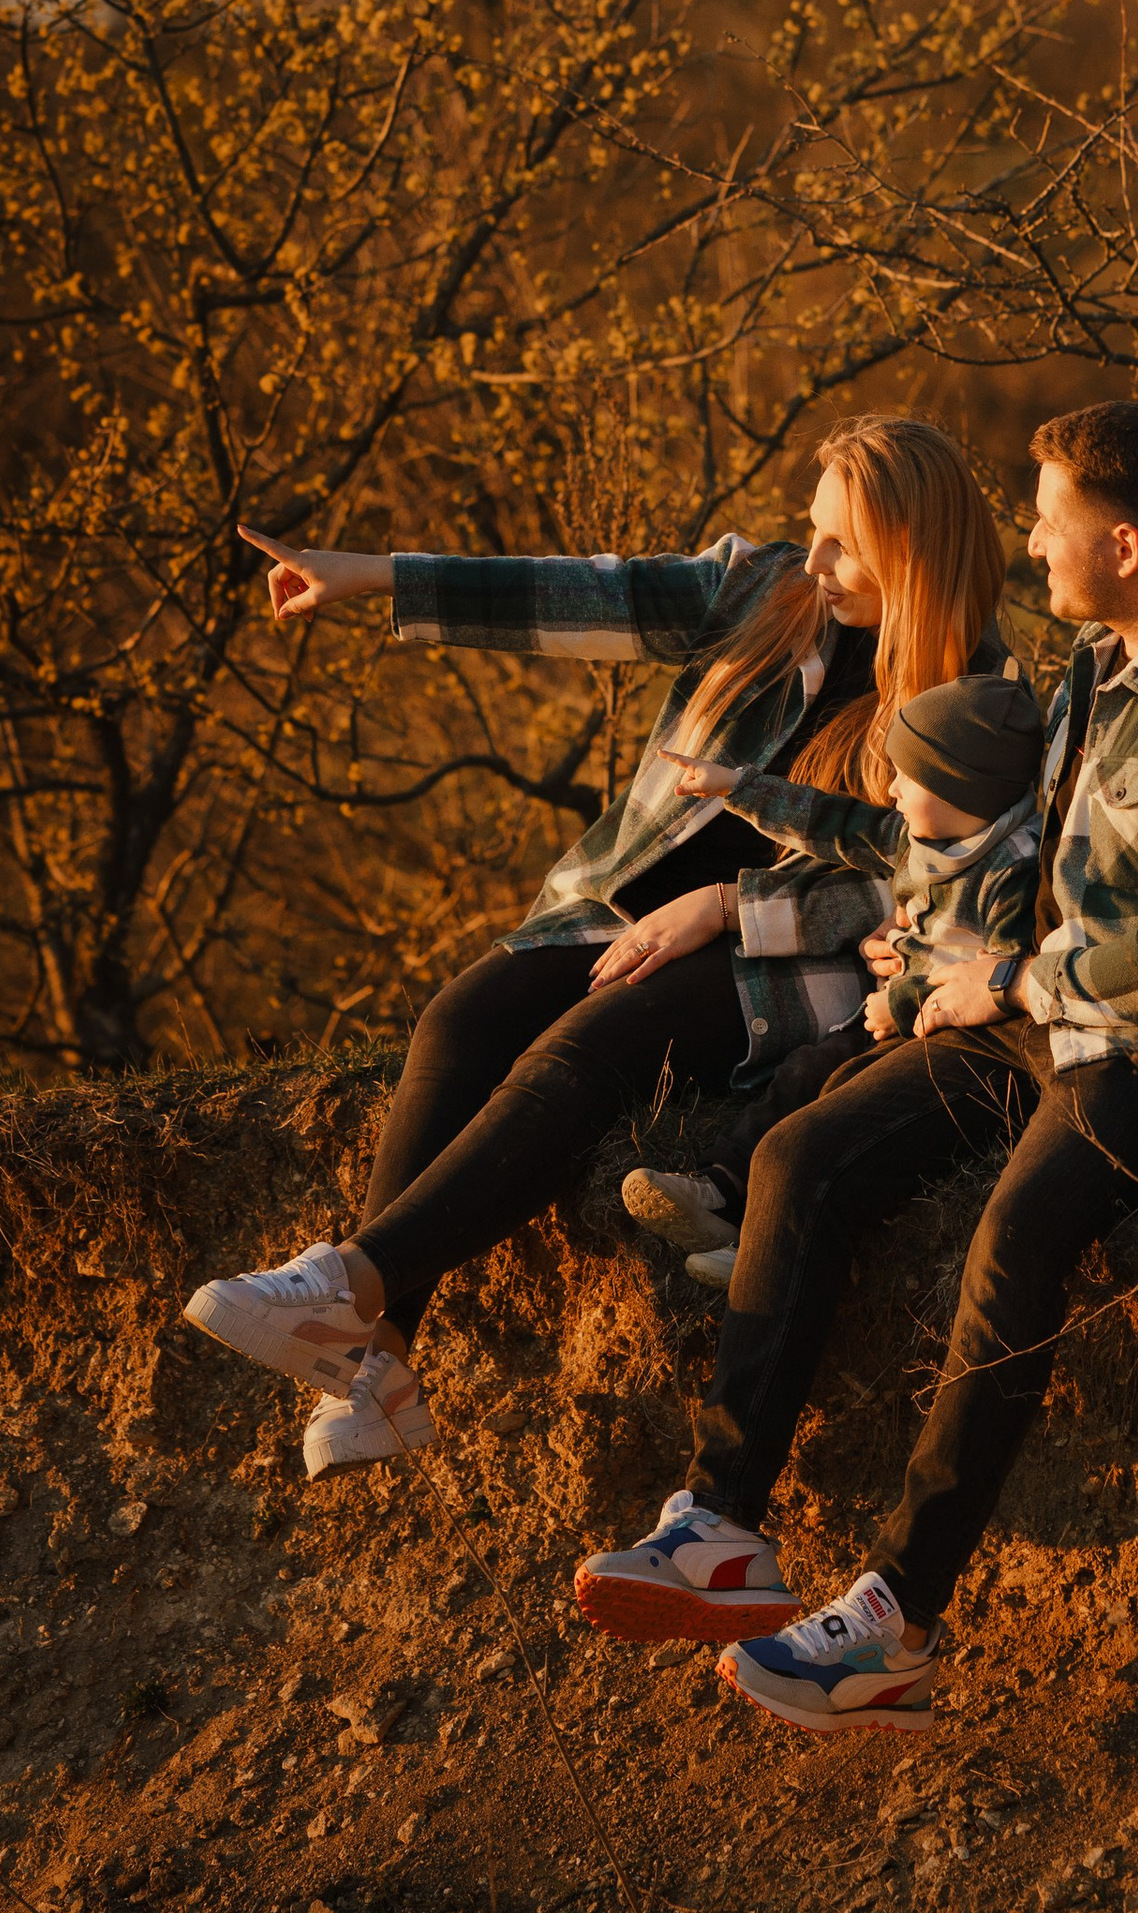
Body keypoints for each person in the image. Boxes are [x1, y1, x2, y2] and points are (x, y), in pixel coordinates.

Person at [572, 398, 1138, 1732]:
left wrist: (1003, 984)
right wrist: (940, 975)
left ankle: (897, 1620)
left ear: (1121, 540)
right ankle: (718, 1524)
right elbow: (1014, 862)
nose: (1030, 543)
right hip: (1062, 1010)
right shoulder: (1103, 665)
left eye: (1049, 522)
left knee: (1016, 1233)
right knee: (798, 1153)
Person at [183, 415, 1008, 1483]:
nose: (813, 561)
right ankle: (378, 1368)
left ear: (913, 546)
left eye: (840, 544)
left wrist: (725, 905)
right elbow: (591, 593)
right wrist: (370, 575)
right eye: (812, 532)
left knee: (591, 1041)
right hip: (614, 912)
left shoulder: (975, 697)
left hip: (788, 962)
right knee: (461, 1018)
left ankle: (353, 1279)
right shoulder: (763, 592)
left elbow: (916, 877)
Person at [617, 668, 1047, 1294]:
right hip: (891, 1017)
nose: (892, 791)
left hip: (943, 1037)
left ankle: (761, 1247)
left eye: (908, 776)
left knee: (835, 1100)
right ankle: (714, 1193)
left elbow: (999, 980)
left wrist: (905, 1003)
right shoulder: (918, 836)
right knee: (802, 1073)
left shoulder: (1011, 871)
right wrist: (738, 788)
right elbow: (831, 822)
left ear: (960, 788)